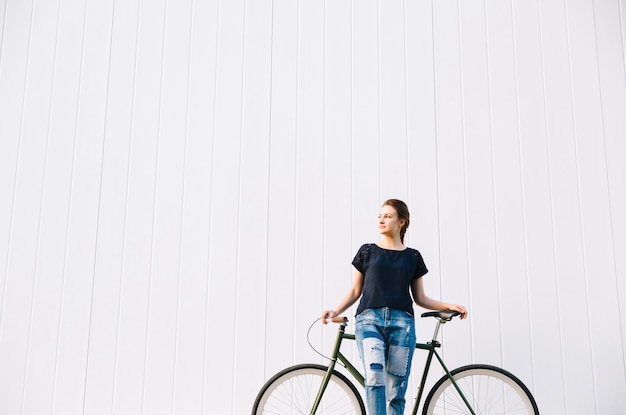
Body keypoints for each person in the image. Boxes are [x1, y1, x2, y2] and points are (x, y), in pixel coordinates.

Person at [321, 199, 467, 415]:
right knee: (374, 376)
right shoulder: (367, 252)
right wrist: (335, 311)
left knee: (395, 391)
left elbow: (420, 298)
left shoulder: (412, 257)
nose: (381, 219)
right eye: (380, 215)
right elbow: (355, 291)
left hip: (402, 325)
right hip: (369, 321)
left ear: (402, 222)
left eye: (388, 216)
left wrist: (450, 305)